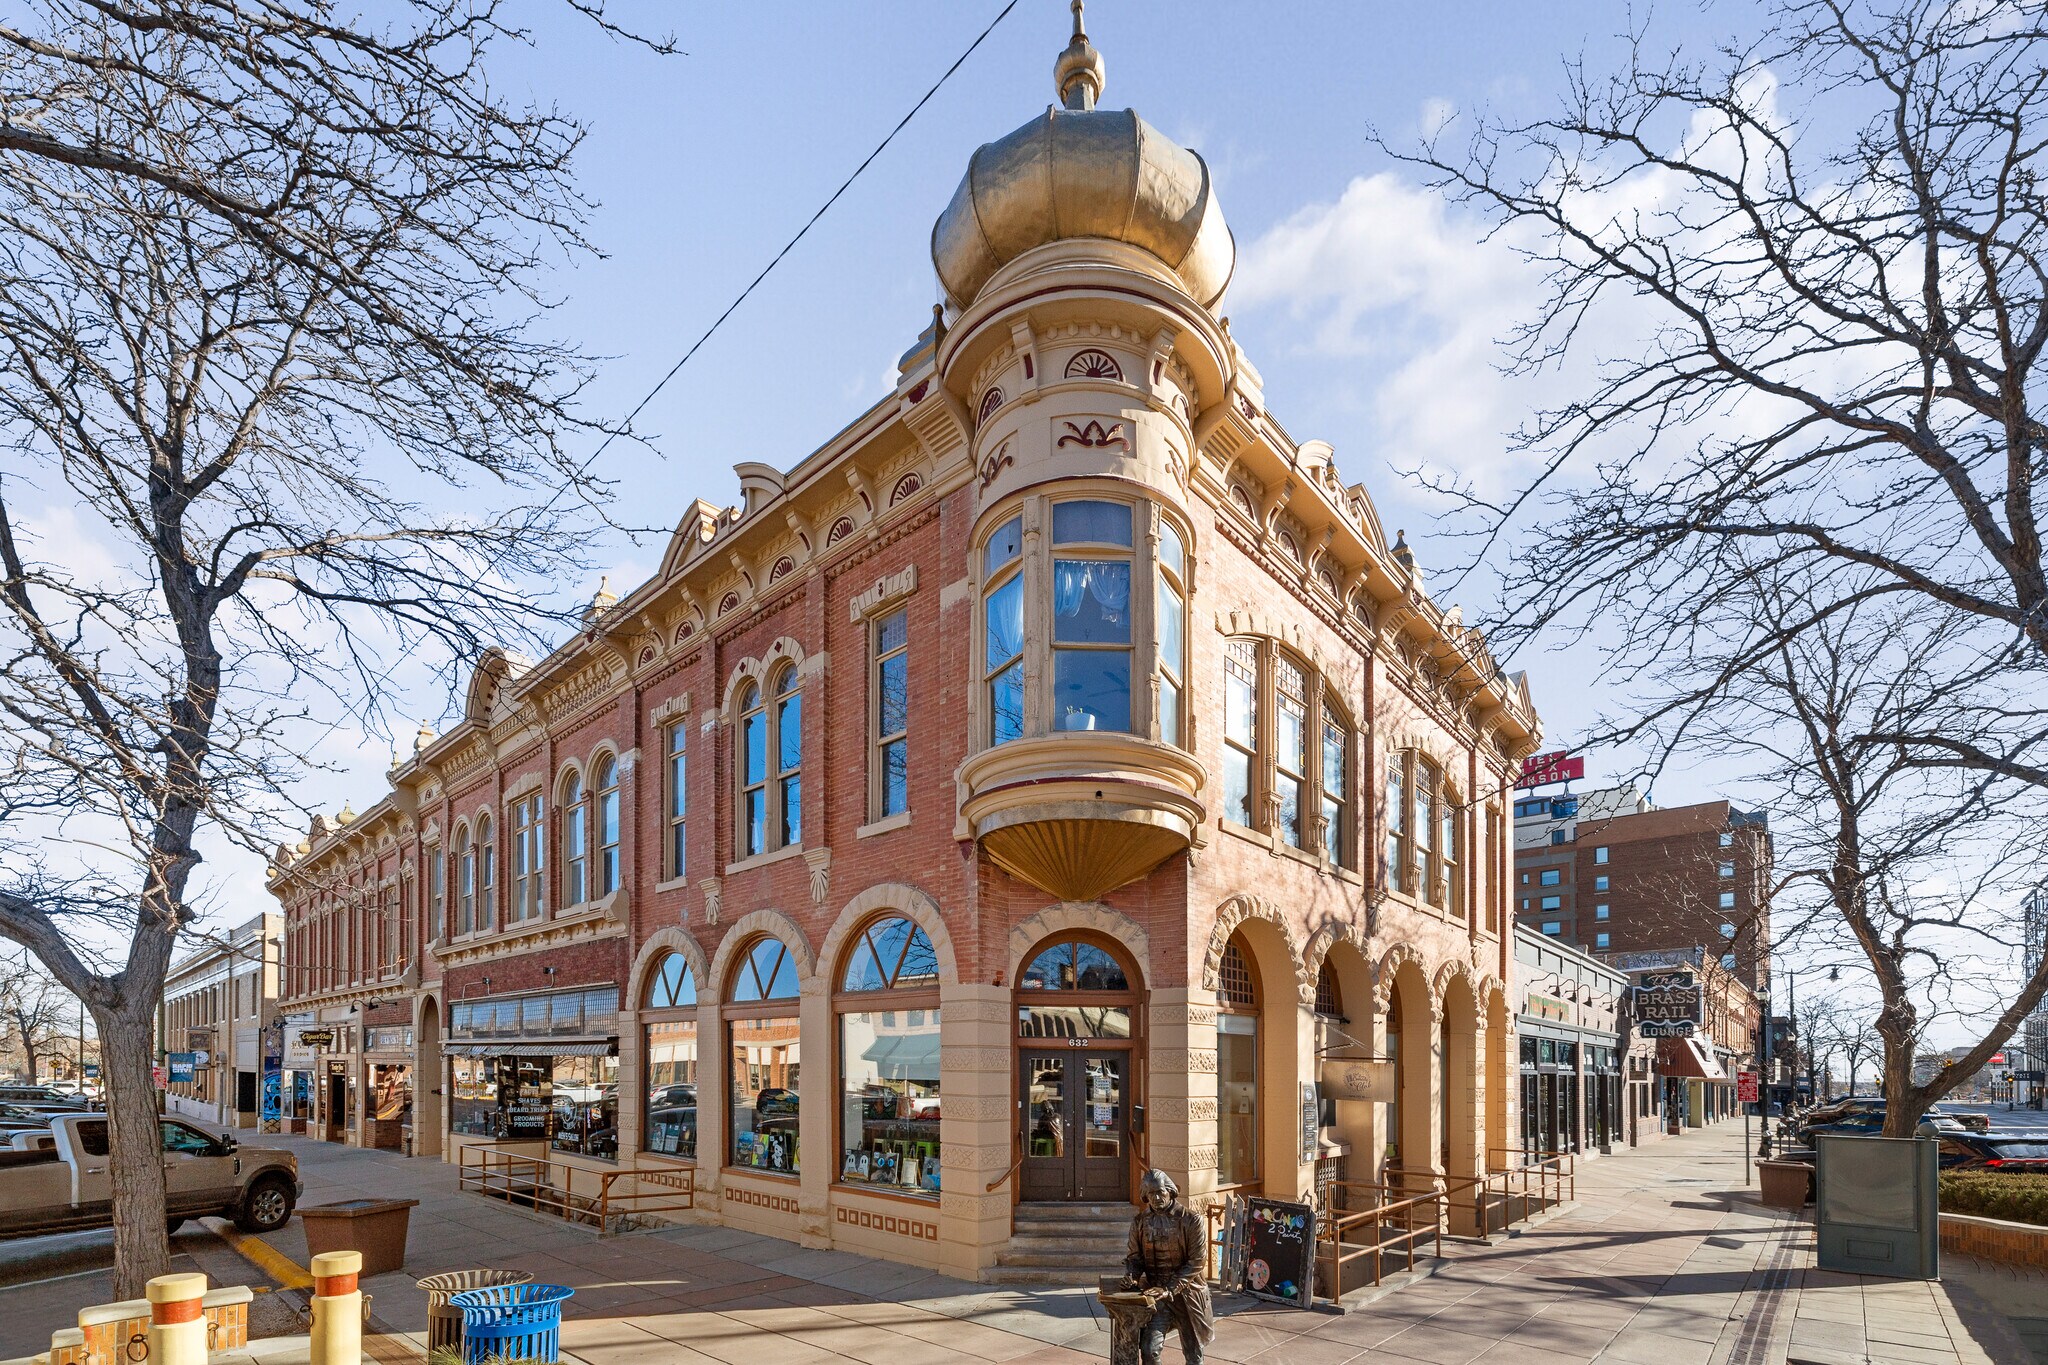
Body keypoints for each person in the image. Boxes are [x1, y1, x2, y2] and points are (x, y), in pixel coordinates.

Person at [1122, 1169, 1213, 1365]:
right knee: (1149, 1351)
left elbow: (1197, 1261)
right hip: (1157, 1298)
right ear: (1145, 1196)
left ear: (1170, 1191)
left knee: (1194, 1356)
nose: (1156, 1198)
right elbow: (1134, 1258)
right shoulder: (1140, 1222)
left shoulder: (1191, 1220)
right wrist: (1132, 1275)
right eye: (1151, 1194)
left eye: (1160, 1192)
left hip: (1188, 1296)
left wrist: (1169, 1289)